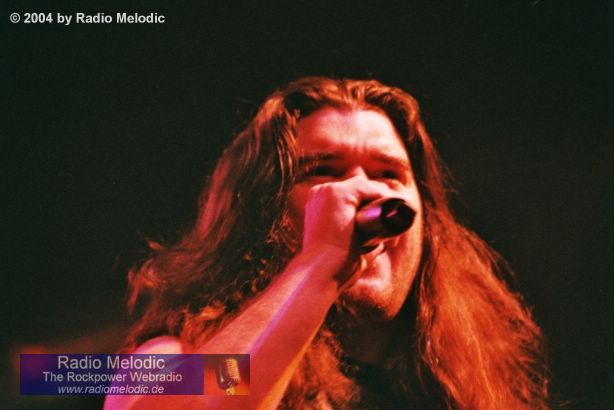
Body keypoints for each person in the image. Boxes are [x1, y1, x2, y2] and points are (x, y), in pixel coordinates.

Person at [105, 77, 549, 409]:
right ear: (262, 213)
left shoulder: (465, 386)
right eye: (323, 171)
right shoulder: (169, 360)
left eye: (388, 174)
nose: (366, 191)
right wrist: (321, 261)